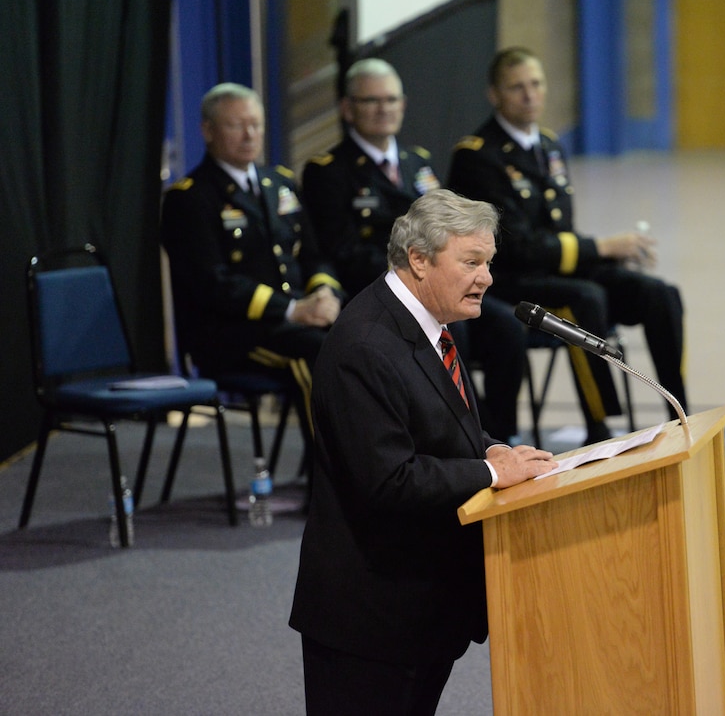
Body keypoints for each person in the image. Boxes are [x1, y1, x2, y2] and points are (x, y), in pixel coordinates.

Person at [289, 189, 557, 715]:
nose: (487, 278)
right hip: (369, 621)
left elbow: (439, 425)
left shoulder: (426, 327)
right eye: (472, 262)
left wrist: (496, 450)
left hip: (420, 611)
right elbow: (388, 481)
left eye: (489, 262)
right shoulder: (364, 346)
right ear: (418, 259)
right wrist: (488, 471)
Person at [447, 46, 687, 445]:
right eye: (517, 87)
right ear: (494, 95)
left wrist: (604, 253)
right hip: (511, 280)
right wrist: (602, 247)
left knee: (660, 294)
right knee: (586, 297)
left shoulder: (549, 145)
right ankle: (601, 429)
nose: (530, 95)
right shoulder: (477, 156)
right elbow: (517, 246)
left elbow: (561, 228)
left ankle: (680, 415)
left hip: (560, 269)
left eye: (536, 84)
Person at [303, 57, 527, 443]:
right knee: (457, 328)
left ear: (403, 104)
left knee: (507, 327)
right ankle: (464, 439)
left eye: (391, 99)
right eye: (371, 100)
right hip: (386, 287)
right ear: (347, 108)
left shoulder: (416, 162)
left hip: (436, 277)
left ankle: (498, 435)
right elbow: (339, 249)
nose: (383, 109)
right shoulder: (328, 170)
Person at [160, 82, 344, 441]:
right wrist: (293, 310)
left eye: (256, 124)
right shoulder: (190, 198)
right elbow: (212, 283)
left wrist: (324, 294)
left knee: (361, 335)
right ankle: (331, 478)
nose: (250, 134)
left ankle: (369, 462)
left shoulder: (281, 184)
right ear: (208, 131)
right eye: (236, 125)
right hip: (228, 333)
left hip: (294, 323)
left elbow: (314, 255)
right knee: (316, 351)